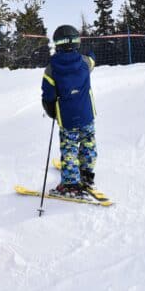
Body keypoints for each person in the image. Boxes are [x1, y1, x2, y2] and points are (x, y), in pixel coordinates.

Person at [41, 25, 97, 198]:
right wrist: (89, 53)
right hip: (87, 114)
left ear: (57, 44)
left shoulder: (51, 68)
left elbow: (48, 96)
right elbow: (92, 60)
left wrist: (51, 112)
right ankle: (86, 173)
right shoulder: (85, 62)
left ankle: (71, 183)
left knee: (70, 147)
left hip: (67, 119)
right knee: (88, 142)